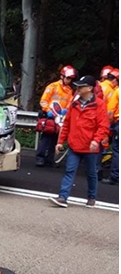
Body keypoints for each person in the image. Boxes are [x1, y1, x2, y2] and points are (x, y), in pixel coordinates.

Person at [49, 75, 110, 208]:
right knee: (69, 171)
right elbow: (67, 124)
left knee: (91, 173)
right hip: (74, 145)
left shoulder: (99, 105)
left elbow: (103, 126)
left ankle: (91, 197)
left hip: (90, 148)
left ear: (89, 88)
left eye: (81, 86)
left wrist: (96, 140)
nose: (78, 88)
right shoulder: (74, 104)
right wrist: (60, 141)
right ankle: (63, 197)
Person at [35, 65, 77, 167]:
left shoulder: (69, 90)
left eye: (71, 79)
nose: (69, 80)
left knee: (55, 139)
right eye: (67, 78)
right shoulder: (52, 87)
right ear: (62, 76)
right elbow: (44, 101)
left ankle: (50, 159)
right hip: (50, 116)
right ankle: (40, 158)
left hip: (60, 118)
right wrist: (48, 111)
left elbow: (69, 102)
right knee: (46, 138)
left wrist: (66, 111)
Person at [101, 68, 119, 185]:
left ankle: (114, 177)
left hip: (117, 122)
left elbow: (110, 112)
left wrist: (108, 126)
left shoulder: (117, 92)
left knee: (117, 151)